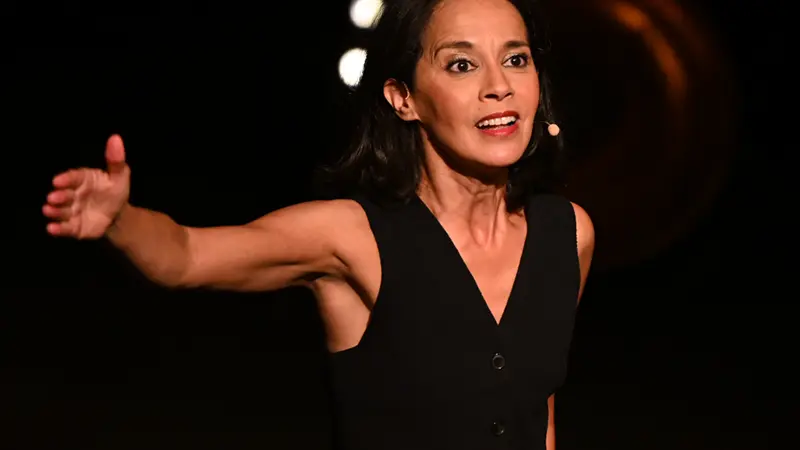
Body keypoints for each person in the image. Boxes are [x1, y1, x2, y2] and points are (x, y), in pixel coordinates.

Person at [43, 0, 594, 448]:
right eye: (462, 64)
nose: (499, 85)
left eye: (516, 59)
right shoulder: (353, 236)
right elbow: (185, 256)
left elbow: (535, 412)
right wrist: (121, 220)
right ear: (403, 98)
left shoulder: (568, 233)